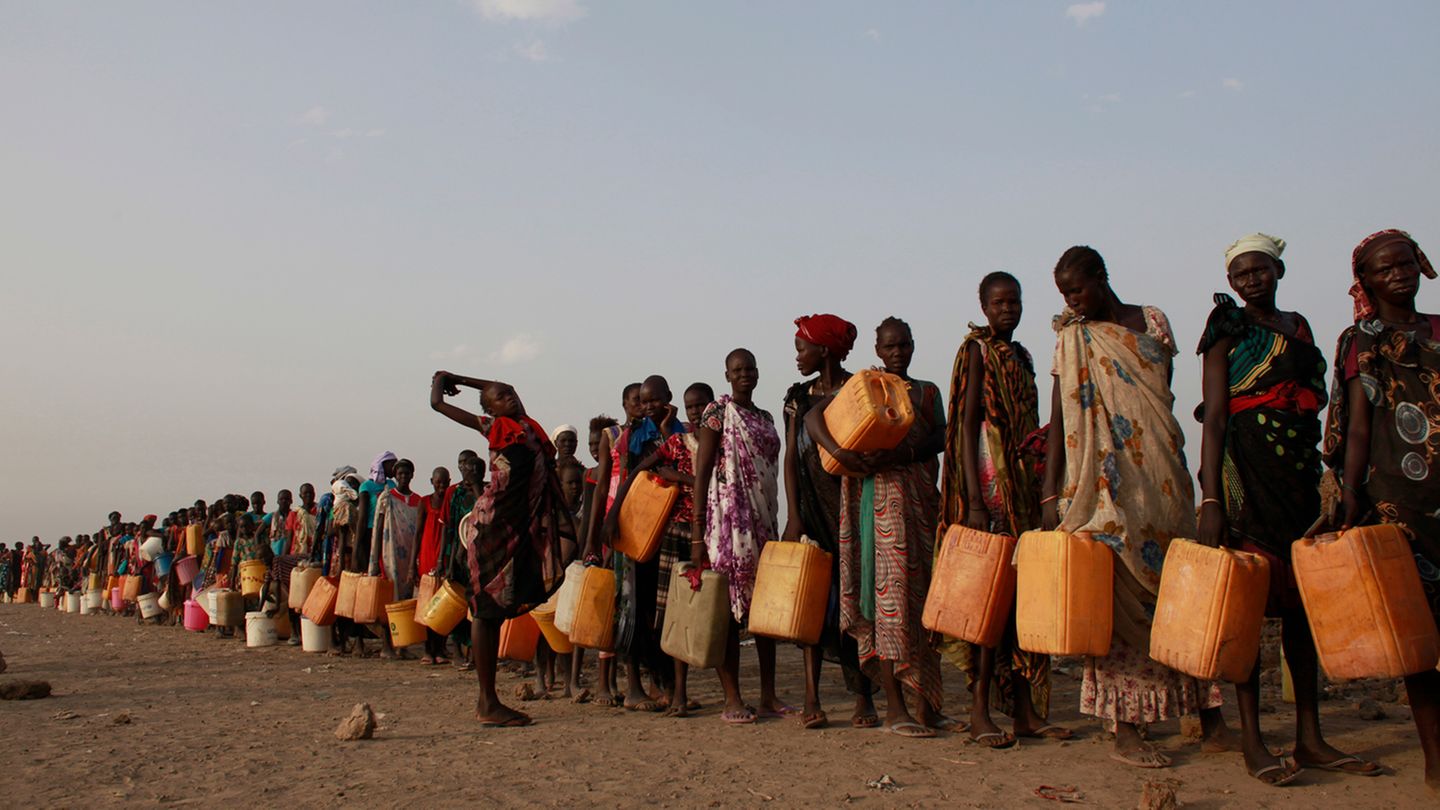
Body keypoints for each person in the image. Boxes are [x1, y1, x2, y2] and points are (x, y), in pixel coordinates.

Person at [1196, 233, 1375, 785]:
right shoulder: (1225, 331)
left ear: (1278, 270)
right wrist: (1210, 496)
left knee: (1301, 609)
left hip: (1296, 469)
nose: (1251, 280)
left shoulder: (1298, 327)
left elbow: (1317, 397)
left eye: (1260, 270)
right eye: (1241, 274)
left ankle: (1310, 736)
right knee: (1247, 606)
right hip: (1245, 468)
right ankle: (1252, 740)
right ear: (1231, 281)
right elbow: (1217, 416)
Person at [1041, 245, 1226, 768]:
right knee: (1113, 597)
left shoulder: (1151, 320)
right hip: (1102, 489)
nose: (1071, 301)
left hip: (1161, 476)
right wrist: (1050, 491)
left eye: (1076, 289)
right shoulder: (1070, 338)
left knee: (1179, 595)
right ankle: (1126, 726)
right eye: (1064, 294)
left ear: (1101, 278)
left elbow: (1157, 395)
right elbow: (1059, 415)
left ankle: (1208, 718)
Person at [1324, 228, 1440, 792]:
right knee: (1419, 636)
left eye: (1404, 264)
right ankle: (1435, 761)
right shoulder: (1361, 339)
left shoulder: (1439, 330)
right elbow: (1359, 423)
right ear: (1365, 281)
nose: (1397, 274)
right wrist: (1349, 493)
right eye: (1383, 268)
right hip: (1400, 501)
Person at [941, 272, 1068, 747]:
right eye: (998, 302)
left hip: (1021, 488)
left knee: (1020, 600)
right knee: (987, 601)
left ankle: (1024, 713)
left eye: (1013, 301)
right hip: (989, 490)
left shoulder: (1023, 356)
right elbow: (968, 423)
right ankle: (978, 712)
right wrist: (973, 501)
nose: (1007, 309)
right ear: (984, 306)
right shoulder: (976, 350)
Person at [809, 317, 945, 738]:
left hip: (920, 503)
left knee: (923, 602)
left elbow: (938, 436)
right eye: (889, 347)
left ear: (913, 345)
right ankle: (894, 707)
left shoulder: (925, 391)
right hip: (878, 508)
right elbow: (815, 416)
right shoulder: (865, 389)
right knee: (887, 601)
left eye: (903, 345)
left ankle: (928, 705)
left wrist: (896, 452)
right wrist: (841, 454)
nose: (897, 353)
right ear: (878, 350)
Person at [431, 369, 578, 727]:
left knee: (500, 604)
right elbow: (437, 403)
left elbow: (506, 387)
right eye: (500, 397)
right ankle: (487, 702)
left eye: (509, 393)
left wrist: (465, 380)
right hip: (493, 525)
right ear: (491, 409)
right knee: (485, 608)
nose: (508, 396)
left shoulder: (526, 425)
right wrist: (442, 377)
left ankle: (489, 700)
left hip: (520, 525)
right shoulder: (493, 427)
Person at [785, 313, 875, 730]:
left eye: (802, 347)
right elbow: (790, 458)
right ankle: (811, 696)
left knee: (855, 603)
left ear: (823, 349)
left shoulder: (858, 390)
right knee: (814, 602)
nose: (797, 355)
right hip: (813, 512)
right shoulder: (797, 396)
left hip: (853, 511)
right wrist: (794, 515)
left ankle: (863, 697)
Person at [691, 349, 786, 725]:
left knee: (766, 610)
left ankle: (768, 695)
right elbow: (702, 473)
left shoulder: (763, 417)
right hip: (728, 523)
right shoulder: (717, 414)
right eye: (737, 370)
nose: (744, 374)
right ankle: (732, 697)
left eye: (749, 369)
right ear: (727, 375)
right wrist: (698, 532)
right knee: (729, 612)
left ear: (758, 373)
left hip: (763, 519)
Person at [602, 375, 688, 712]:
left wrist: (668, 428)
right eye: (641, 401)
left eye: (652, 400)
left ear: (667, 398)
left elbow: (683, 462)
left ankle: (664, 685)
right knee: (634, 606)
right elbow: (628, 478)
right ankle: (635, 687)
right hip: (635, 524)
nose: (647, 406)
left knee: (661, 608)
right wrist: (610, 520)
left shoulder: (678, 430)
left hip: (668, 527)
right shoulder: (630, 437)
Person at [371, 458, 423, 658]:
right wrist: (375, 560)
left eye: (407, 473)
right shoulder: (387, 498)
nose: (403, 477)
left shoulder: (418, 501)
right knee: (389, 600)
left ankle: (403, 644)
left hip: (410, 556)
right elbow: (377, 527)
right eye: (400, 474)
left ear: (412, 475)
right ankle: (386, 645)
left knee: (406, 600)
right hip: (390, 553)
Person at [417, 465, 452, 664]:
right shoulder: (425, 502)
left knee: (444, 606)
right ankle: (428, 649)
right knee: (427, 606)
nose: (441, 486)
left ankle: (440, 647)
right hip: (428, 557)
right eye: (438, 482)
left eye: (444, 482)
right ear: (432, 482)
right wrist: (414, 563)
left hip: (445, 559)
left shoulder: (450, 501)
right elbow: (418, 533)